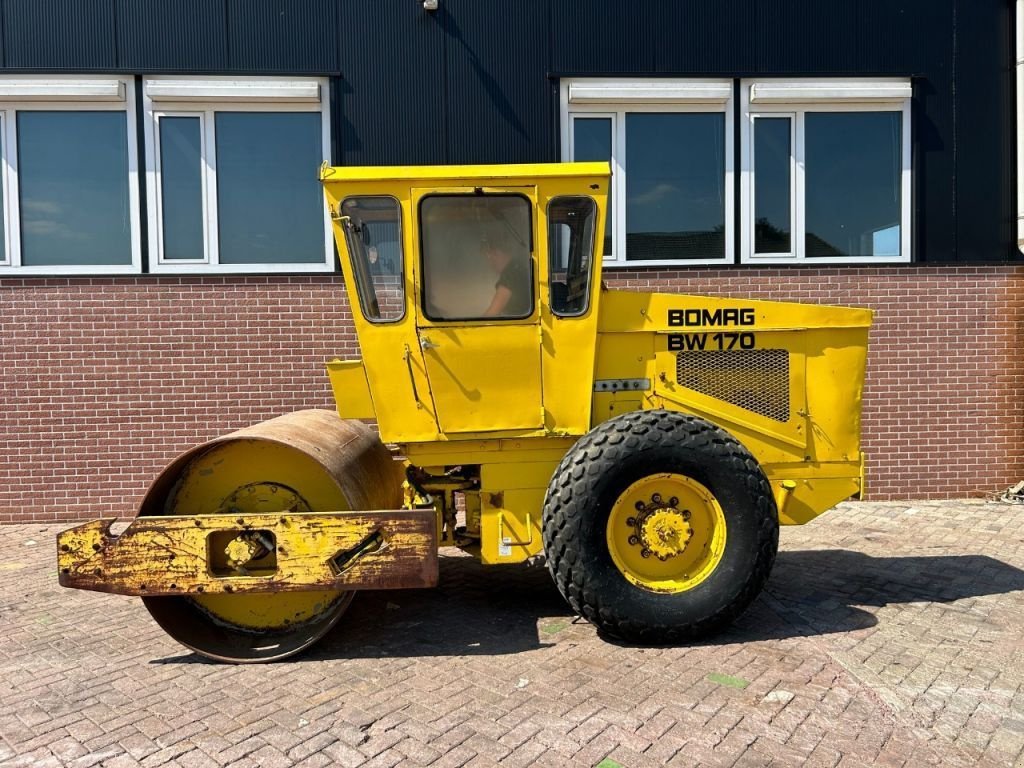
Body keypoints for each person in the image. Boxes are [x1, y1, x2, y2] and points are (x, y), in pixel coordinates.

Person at [481, 232, 531, 318]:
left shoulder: (511, 275)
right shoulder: (520, 268)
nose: (490, 263)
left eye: (490, 256)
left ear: (497, 253)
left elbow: (493, 313)